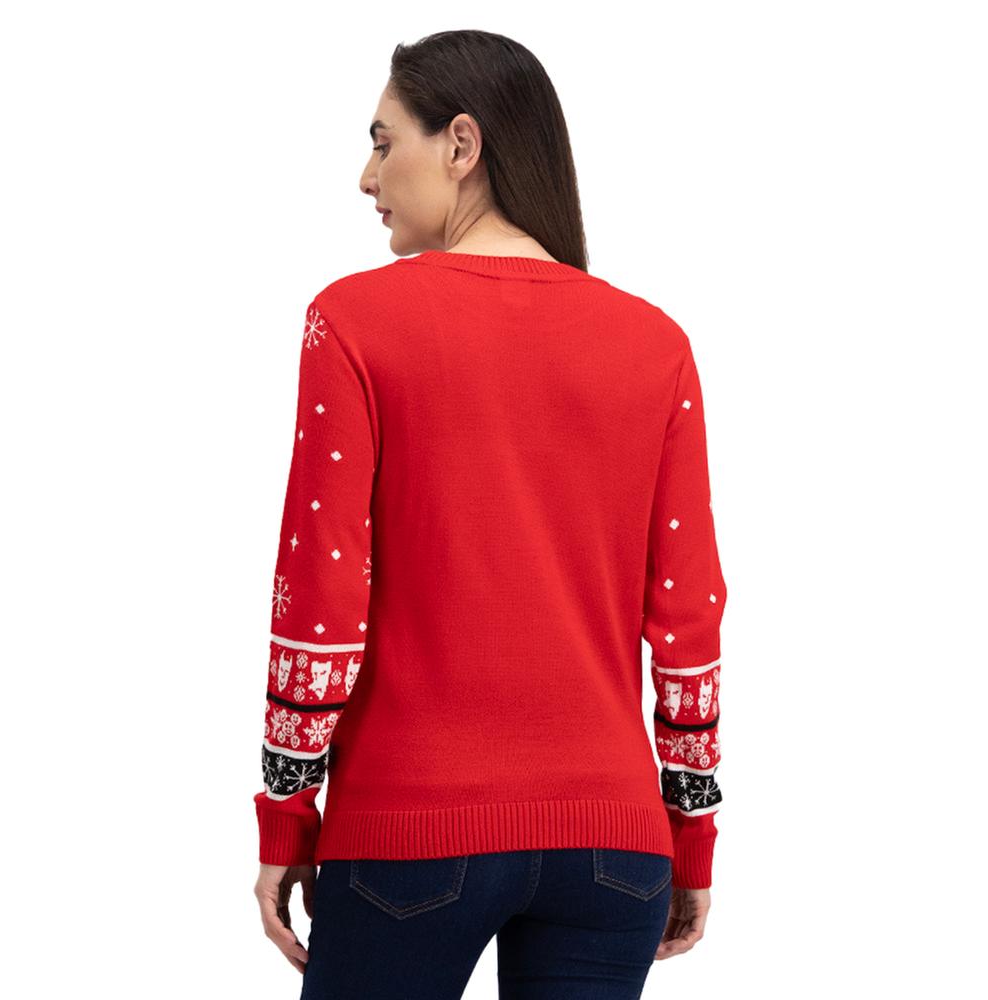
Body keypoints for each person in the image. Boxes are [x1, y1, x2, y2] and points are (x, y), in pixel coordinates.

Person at [252, 29, 727, 1000]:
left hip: (407, 834)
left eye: (383, 141)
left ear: (461, 144)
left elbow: (322, 597)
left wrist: (287, 814)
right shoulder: (655, 344)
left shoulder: (354, 321)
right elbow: (688, 620)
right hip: (612, 848)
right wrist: (689, 833)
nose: (366, 176)